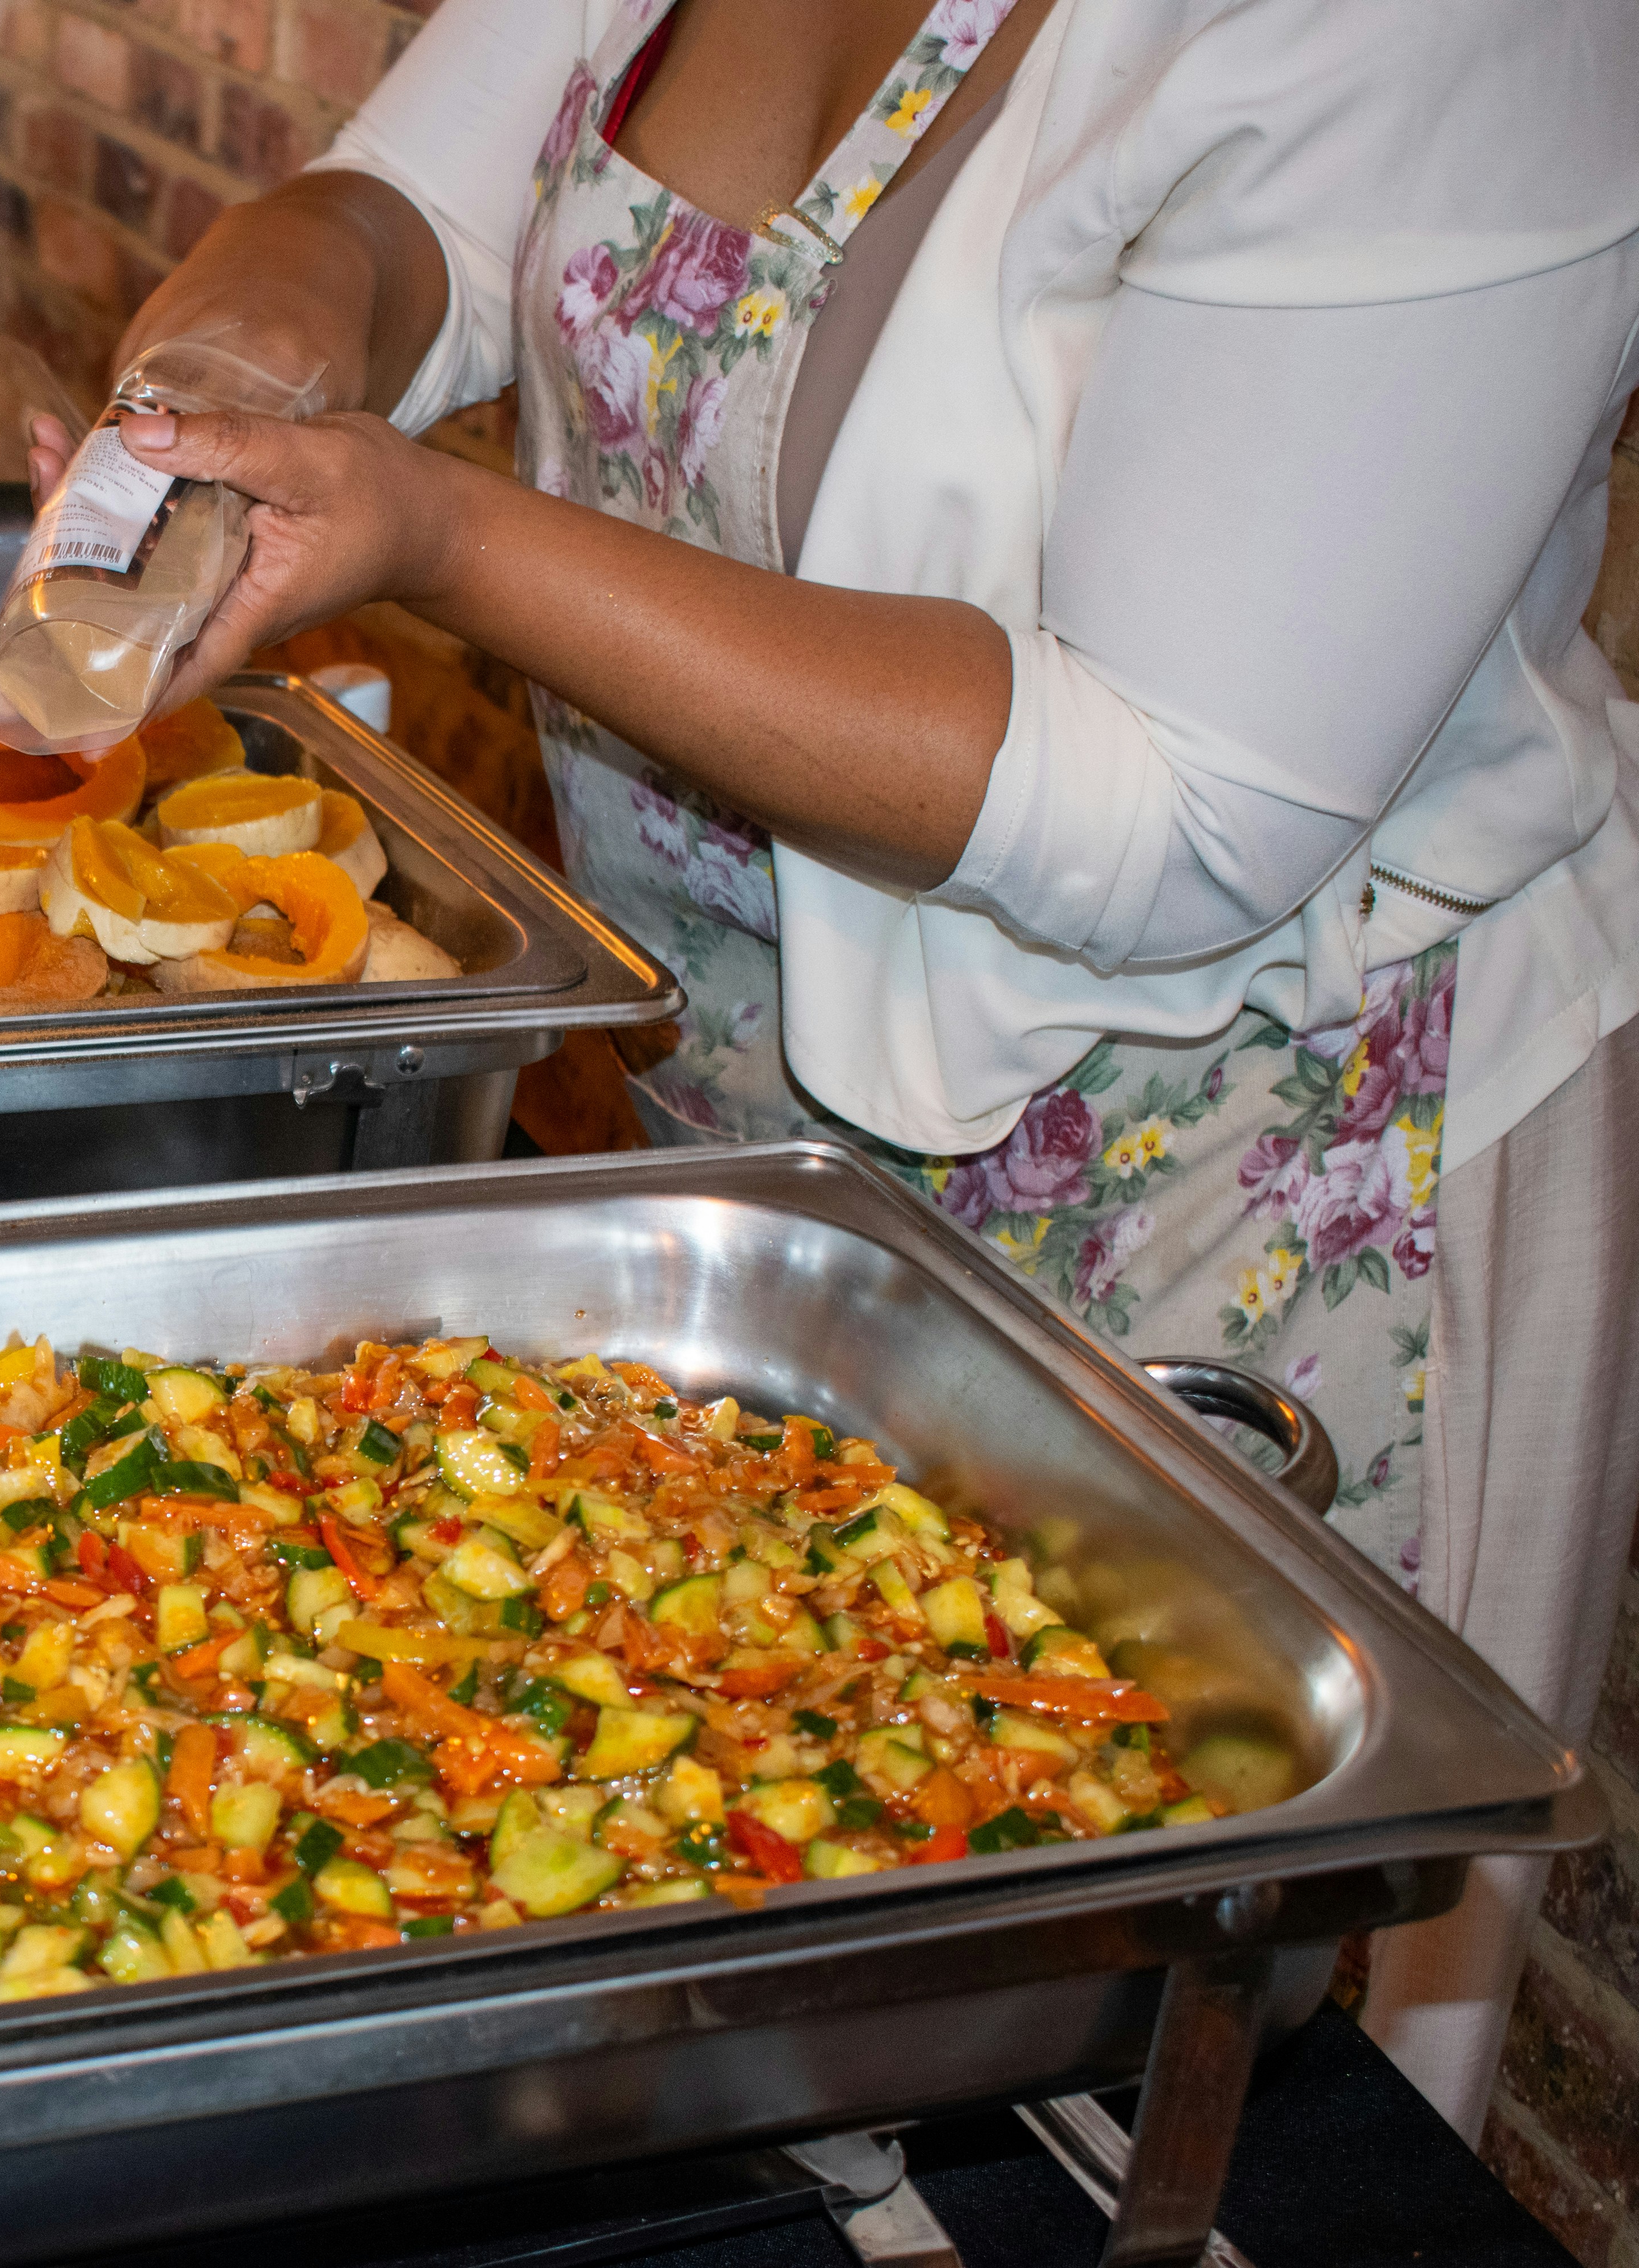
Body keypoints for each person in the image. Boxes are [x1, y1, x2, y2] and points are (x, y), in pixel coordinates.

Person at [79, 0, 1639, 2138]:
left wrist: (442, 538)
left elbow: (1185, 800)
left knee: (1176, 2092)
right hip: (770, 1156)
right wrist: (272, 326)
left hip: (1236, 1182)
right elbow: (413, 207)